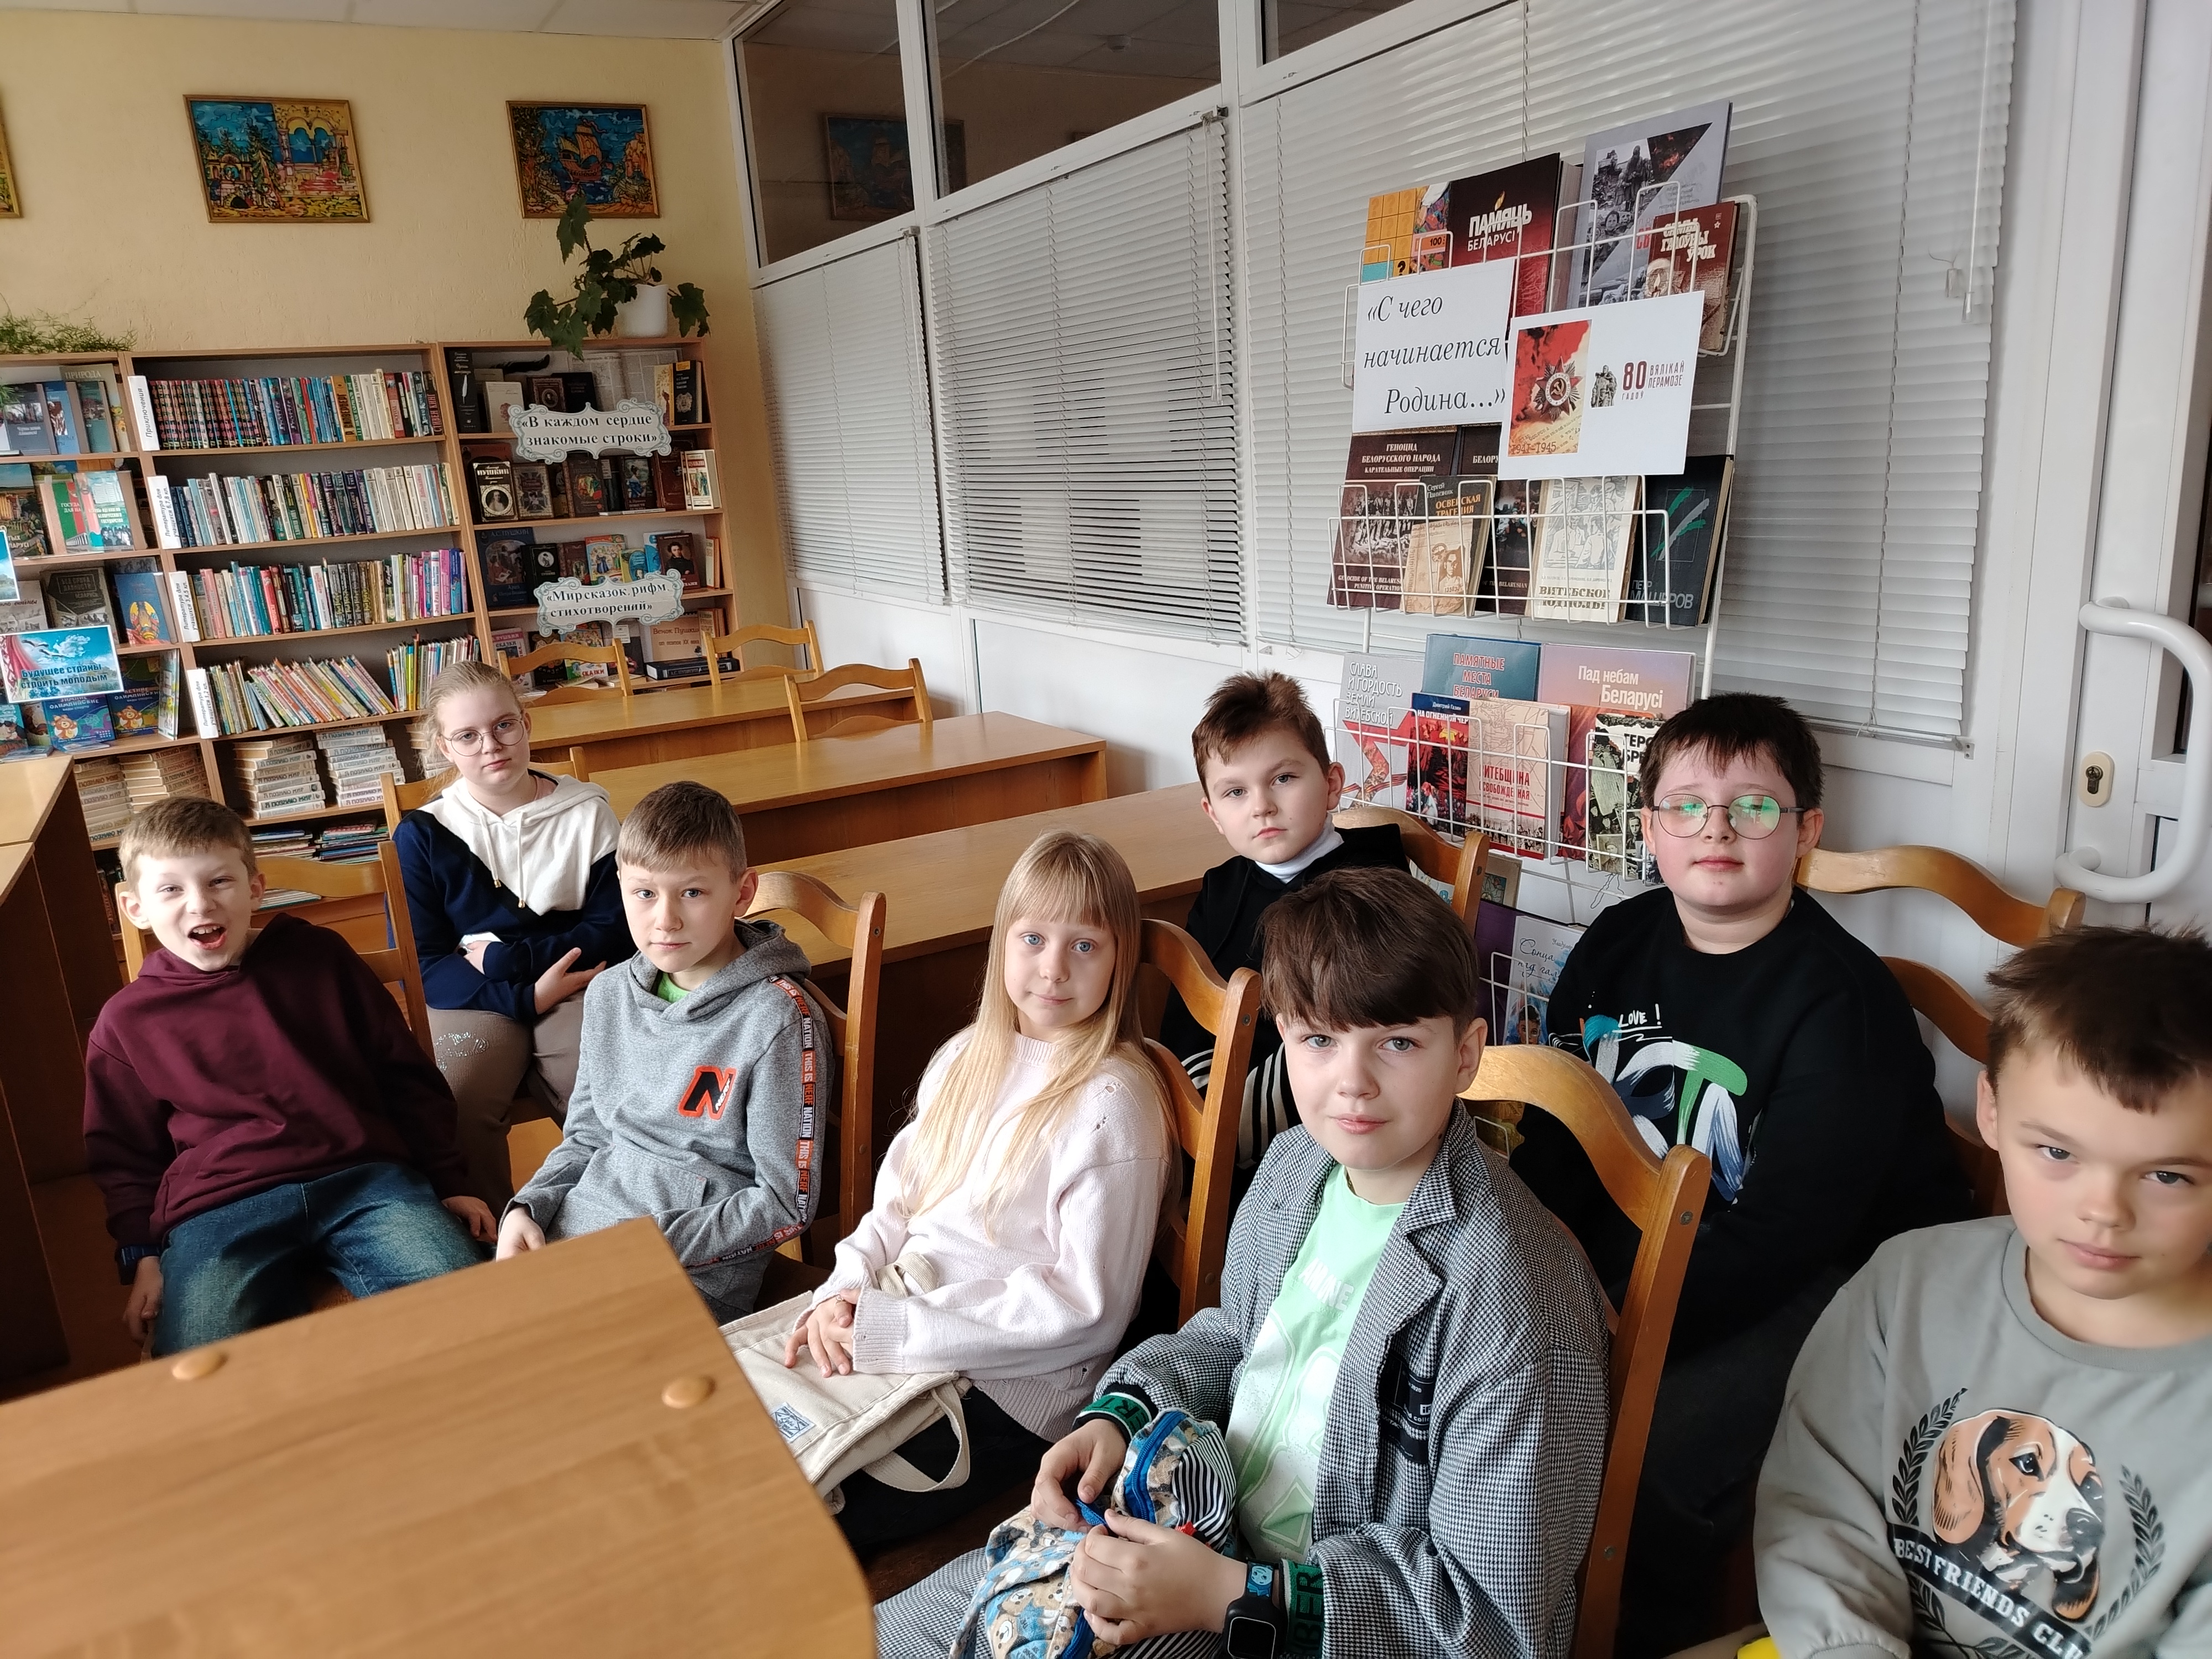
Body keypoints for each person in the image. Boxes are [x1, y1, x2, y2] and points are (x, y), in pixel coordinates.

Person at [877, 867, 1613, 1659]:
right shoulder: (1297, 1166)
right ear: (1285, 1038)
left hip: (1298, 1620)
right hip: (1195, 1532)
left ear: (1465, 1055)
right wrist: (1118, 1416)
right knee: (880, 1631)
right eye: (1320, 1041)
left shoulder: (1514, 1298)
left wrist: (1228, 1594)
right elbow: (1234, 1338)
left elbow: (1496, 1622)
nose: (1353, 1084)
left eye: (1398, 1043)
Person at [1509, 691, 1973, 1657]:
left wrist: (1612, 1330)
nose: (1716, 829)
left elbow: (1783, 1239)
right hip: (1658, 1249)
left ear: (1806, 831)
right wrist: (1540, 1276)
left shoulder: (1842, 1004)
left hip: (1839, 1279)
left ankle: (1645, 1630)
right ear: (1649, 829)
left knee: (1647, 1451)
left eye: (1754, 808)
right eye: (1685, 806)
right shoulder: (1616, 941)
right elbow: (1557, 1133)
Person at [1756, 925, 2212, 1659]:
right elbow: (1821, 1507)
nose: (2103, 1211)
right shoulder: (1906, 1284)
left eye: (2168, 1175)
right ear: (1992, 1112)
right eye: (2057, 1152)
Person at [784, 830, 1175, 1554]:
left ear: (1119, 960)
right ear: (1002, 945)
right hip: (901, 1319)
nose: (1053, 968)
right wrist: (840, 1293)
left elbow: (1086, 1312)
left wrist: (890, 1329)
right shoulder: (966, 1055)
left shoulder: (1112, 1104)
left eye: (1084, 945)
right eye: (1033, 939)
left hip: (1003, 1388)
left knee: (785, 1514)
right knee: (735, 1424)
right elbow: (895, 1206)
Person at [84, 796, 494, 1358]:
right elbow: (123, 1154)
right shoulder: (125, 1021)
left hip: (365, 1181)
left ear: (256, 889)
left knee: (471, 1314)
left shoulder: (320, 956)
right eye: (171, 889)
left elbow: (405, 1077)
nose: (200, 903)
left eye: (219, 881)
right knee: (200, 1361)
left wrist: (450, 1180)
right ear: (135, 908)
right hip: (219, 1208)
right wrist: (144, 1255)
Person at [497, 781, 834, 1322]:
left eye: (692, 893)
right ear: (621, 888)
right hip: (578, 1239)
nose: (665, 920)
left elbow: (783, 1203)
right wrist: (529, 1206)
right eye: (645, 893)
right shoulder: (609, 994)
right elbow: (587, 1135)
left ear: (742, 892)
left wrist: (649, 1246)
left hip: (691, 1273)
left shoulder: (778, 1019)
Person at [393, 658, 631, 1210]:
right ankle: (492, 1238)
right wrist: (523, 998)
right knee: (458, 1101)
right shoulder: (423, 834)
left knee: (598, 1091)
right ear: (444, 747)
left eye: (503, 725)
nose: (491, 746)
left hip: (575, 980)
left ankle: (616, 1223)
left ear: (526, 723)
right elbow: (423, 962)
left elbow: (614, 930)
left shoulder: (588, 813)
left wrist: (512, 964)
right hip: (472, 992)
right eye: (467, 736)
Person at [1161, 671, 1406, 1173]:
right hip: (1207, 1110)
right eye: (1235, 792)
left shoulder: (1373, 889)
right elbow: (1184, 1022)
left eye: (1283, 779)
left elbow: (1353, 1043)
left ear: (1332, 785)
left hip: (1328, 1133)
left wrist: (1219, 1127)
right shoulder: (1220, 886)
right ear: (1213, 814)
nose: (1262, 807)